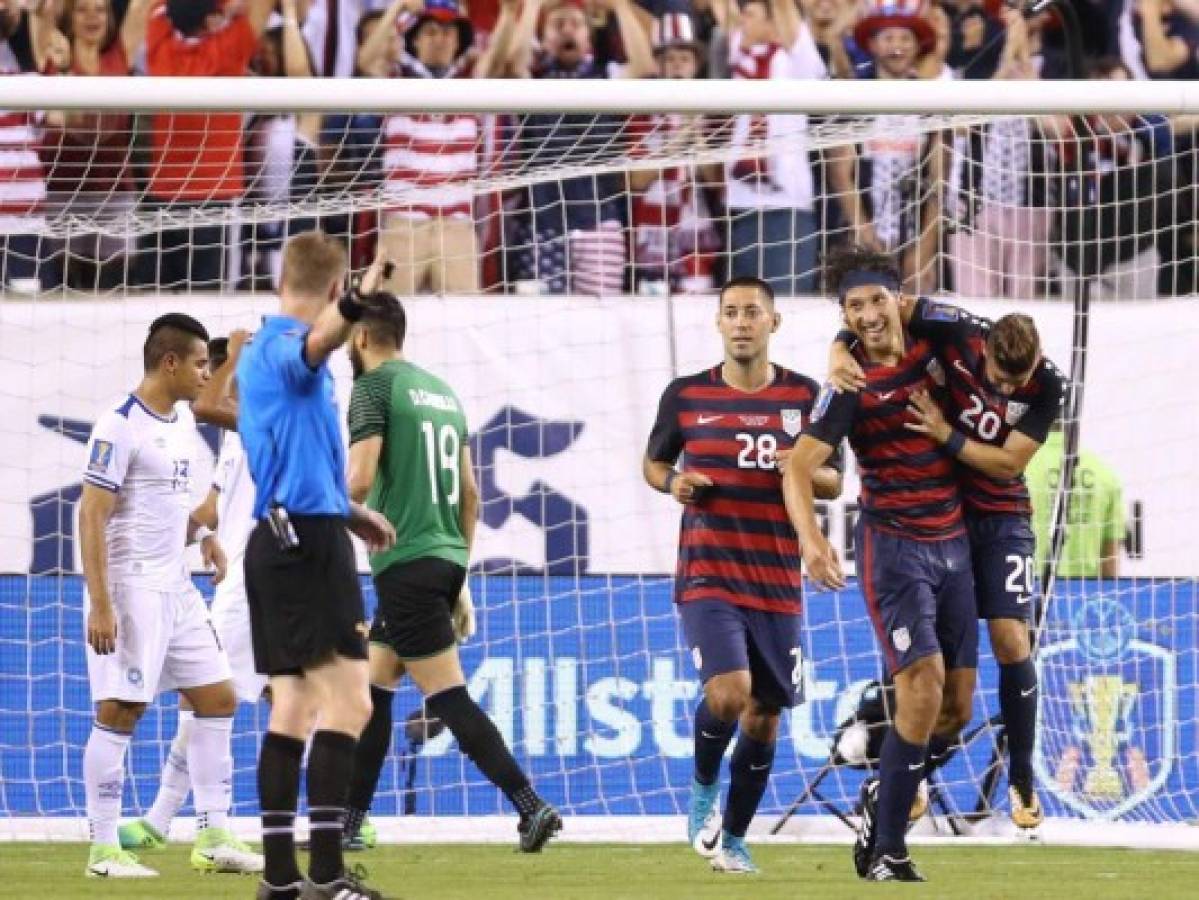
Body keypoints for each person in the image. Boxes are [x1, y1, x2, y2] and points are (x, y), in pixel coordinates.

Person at [829, 299, 1065, 829]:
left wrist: (946, 434)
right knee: (932, 672)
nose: (1003, 391)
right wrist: (839, 346)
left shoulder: (1049, 386)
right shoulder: (956, 329)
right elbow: (880, 306)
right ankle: (894, 772)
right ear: (983, 351)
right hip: (942, 517)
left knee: (1010, 639)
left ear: (1038, 359)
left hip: (1002, 519)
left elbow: (1008, 462)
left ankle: (1022, 779)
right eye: (996, 379)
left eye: (1014, 381)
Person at [340, 292, 562, 852]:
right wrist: (458, 574)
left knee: (449, 696)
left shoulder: (372, 388)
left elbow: (359, 482)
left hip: (405, 560)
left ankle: (529, 806)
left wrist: (310, 505)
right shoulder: (441, 393)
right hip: (440, 558)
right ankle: (350, 822)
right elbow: (471, 495)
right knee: (376, 687)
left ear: (360, 336)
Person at [781, 247, 977, 883]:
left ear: (900, 299)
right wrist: (811, 540)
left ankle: (881, 798)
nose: (867, 315)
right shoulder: (847, 385)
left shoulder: (938, 347)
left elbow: (990, 335)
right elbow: (797, 467)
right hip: (893, 548)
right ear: (844, 314)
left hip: (957, 544)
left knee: (956, 708)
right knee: (921, 682)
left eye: (875, 300)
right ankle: (889, 849)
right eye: (852, 308)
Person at [643, 276, 843, 874]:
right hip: (709, 572)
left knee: (765, 713)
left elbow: (835, 479)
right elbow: (654, 463)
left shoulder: (808, 397)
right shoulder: (685, 395)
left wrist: (800, 469)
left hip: (776, 580)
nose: (741, 322)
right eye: (730, 312)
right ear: (718, 322)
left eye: (752, 313)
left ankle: (732, 837)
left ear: (773, 324)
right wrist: (673, 482)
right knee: (729, 695)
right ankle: (703, 786)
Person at [236, 231, 397, 900]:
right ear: (334, 290)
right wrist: (363, 298)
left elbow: (291, 450)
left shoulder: (257, 355)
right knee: (351, 702)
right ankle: (327, 876)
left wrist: (347, 511)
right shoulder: (283, 350)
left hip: (283, 538)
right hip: (302, 547)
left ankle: (280, 882)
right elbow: (318, 344)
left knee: (295, 707)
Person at [79, 314, 259, 878]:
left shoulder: (181, 423)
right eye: (204, 363)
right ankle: (103, 849)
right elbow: (91, 514)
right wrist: (102, 602)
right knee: (121, 710)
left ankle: (211, 835)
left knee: (218, 698)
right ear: (171, 362)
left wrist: (205, 538)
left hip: (177, 586)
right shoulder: (119, 425)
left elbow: (170, 509)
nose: (209, 375)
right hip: (131, 589)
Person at [119, 331, 269, 851]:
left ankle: (171, 820)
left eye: (216, 367)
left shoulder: (264, 420)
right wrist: (196, 535)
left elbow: (207, 403)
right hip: (251, 575)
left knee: (203, 694)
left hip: (255, 584)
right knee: (287, 692)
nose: (208, 375)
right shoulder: (237, 438)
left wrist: (241, 355)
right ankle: (341, 815)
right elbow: (211, 507)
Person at [140, 0, 274, 290]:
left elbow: (155, 7)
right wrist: (227, 12)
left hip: (162, 192)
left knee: (149, 302)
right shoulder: (230, 48)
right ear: (211, 19)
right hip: (216, 196)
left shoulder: (158, 44)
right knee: (207, 304)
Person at [1025, 422, 1126, 578]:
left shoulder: (1021, 466)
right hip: (1085, 595)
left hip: (1031, 589)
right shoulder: (1104, 473)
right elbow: (1109, 560)